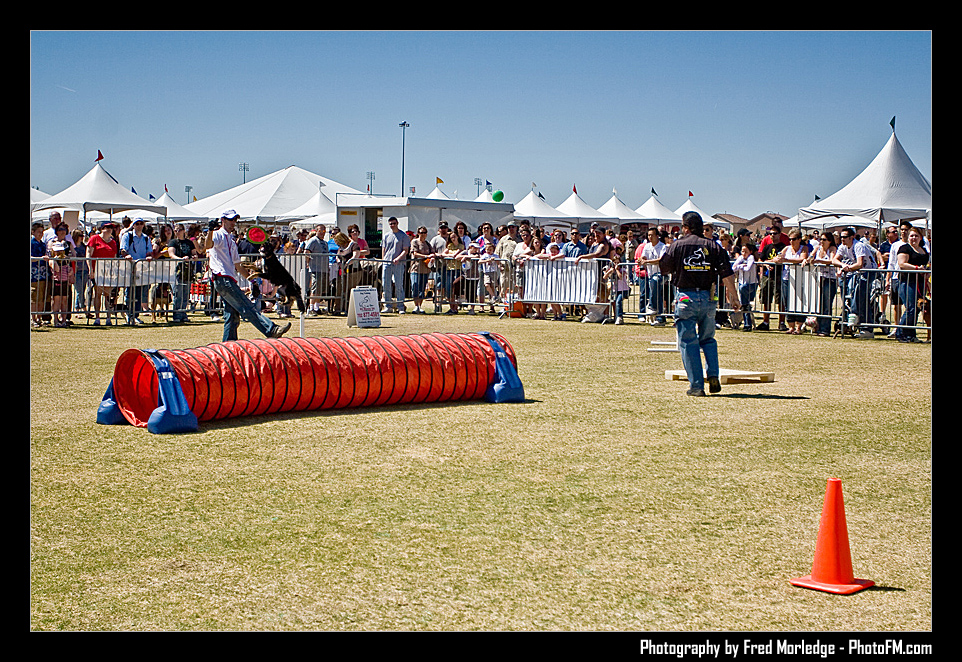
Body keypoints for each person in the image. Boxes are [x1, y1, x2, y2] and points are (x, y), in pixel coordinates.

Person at [659, 212, 739, 396]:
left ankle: (697, 386)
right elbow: (727, 273)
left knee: (688, 342)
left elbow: (664, 267)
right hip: (708, 297)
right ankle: (713, 375)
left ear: (685, 227)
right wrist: (734, 297)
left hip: (685, 297)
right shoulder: (713, 246)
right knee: (708, 339)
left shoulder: (677, 245)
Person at [202, 210, 291, 341]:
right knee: (246, 306)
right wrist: (210, 230)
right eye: (230, 219)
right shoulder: (217, 235)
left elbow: (238, 266)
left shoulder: (232, 241)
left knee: (232, 315)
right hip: (222, 278)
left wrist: (253, 281)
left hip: (228, 279)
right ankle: (271, 329)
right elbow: (208, 245)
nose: (233, 222)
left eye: (234, 220)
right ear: (223, 220)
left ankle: (229, 343)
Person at [831, 226, 877, 339]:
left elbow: (860, 264)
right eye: (841, 237)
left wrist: (847, 268)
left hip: (868, 272)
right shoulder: (842, 246)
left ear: (852, 237)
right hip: (855, 273)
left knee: (861, 298)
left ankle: (865, 326)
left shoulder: (859, 245)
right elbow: (834, 260)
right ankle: (854, 319)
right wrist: (843, 265)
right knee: (851, 296)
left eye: (845, 237)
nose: (842, 239)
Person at [894, 227, 929, 343]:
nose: (914, 238)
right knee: (911, 308)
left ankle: (911, 334)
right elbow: (902, 264)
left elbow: (927, 265)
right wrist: (917, 268)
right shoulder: (905, 248)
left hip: (921, 282)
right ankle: (901, 333)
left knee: (917, 309)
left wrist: (926, 272)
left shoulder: (924, 250)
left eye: (916, 236)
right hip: (907, 282)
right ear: (908, 237)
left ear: (920, 237)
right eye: (912, 236)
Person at [774, 230, 810, 335]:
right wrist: (777, 259)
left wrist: (786, 260)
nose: (791, 241)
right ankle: (791, 326)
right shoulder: (787, 248)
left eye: (793, 239)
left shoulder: (804, 248)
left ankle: (799, 327)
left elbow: (802, 258)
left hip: (799, 278)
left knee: (799, 302)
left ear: (799, 239)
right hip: (787, 278)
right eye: (790, 239)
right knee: (787, 302)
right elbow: (778, 256)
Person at [756, 227, 788, 331]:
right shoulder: (767, 247)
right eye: (770, 233)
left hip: (779, 275)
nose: (772, 235)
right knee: (766, 299)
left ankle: (781, 323)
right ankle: (766, 322)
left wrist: (771, 261)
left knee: (780, 300)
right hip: (767, 276)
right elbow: (760, 260)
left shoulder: (783, 247)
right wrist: (766, 264)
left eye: (775, 233)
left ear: (779, 234)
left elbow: (780, 259)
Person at [45, 224, 76, 327]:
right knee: (56, 300)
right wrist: (54, 260)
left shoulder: (68, 244)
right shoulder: (52, 244)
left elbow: (73, 258)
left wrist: (71, 272)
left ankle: (64, 320)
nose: (62, 232)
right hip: (56, 279)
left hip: (65, 278)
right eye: (60, 229)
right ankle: (55, 319)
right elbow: (54, 264)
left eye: (64, 230)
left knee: (65, 300)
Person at [166, 223, 197, 323]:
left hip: (188, 271)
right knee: (178, 293)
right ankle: (177, 315)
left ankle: (183, 314)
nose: (177, 232)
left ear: (184, 231)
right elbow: (171, 254)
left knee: (186, 293)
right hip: (177, 270)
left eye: (179, 230)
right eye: (175, 230)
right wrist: (181, 259)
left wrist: (194, 257)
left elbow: (194, 253)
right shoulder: (173, 242)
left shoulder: (189, 242)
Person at [380, 216, 411, 313]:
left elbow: (405, 250)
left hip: (399, 264)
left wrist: (398, 258)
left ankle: (400, 306)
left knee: (398, 285)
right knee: (386, 285)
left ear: (397, 223)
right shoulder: (386, 235)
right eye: (390, 224)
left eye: (394, 223)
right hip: (387, 263)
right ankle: (388, 306)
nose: (392, 225)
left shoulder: (403, 236)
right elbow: (383, 248)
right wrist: (383, 260)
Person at [638, 228, 667, 326]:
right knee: (657, 294)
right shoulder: (647, 246)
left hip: (661, 274)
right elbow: (643, 257)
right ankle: (660, 318)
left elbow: (661, 260)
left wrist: (646, 262)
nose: (650, 237)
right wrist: (641, 260)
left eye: (652, 235)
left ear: (657, 236)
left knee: (655, 282)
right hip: (650, 273)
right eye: (649, 235)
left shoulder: (663, 247)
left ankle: (652, 306)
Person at [298, 224, 330, 316]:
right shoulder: (313, 240)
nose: (322, 233)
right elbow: (306, 252)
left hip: (324, 269)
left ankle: (317, 307)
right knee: (315, 289)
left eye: (324, 231)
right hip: (316, 268)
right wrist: (308, 263)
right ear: (316, 231)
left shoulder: (325, 243)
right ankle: (311, 308)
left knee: (320, 290)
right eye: (320, 231)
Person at [731, 242, 759, 331]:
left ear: (750, 251)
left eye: (745, 251)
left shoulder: (751, 258)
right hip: (742, 282)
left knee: (744, 297)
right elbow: (733, 268)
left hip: (751, 283)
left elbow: (748, 268)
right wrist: (741, 265)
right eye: (742, 251)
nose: (743, 253)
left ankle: (748, 323)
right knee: (745, 304)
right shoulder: (740, 258)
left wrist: (740, 267)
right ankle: (747, 324)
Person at [603, 245, 630, 325]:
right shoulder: (611, 270)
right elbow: (604, 277)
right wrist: (609, 271)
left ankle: (620, 317)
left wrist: (617, 270)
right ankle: (613, 316)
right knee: (613, 302)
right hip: (614, 290)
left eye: (618, 262)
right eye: (615, 263)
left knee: (618, 301)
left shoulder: (623, 270)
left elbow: (621, 277)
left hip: (623, 290)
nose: (616, 264)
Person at [409, 226, 433, 314]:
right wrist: (426, 256)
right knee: (415, 286)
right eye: (421, 232)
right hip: (415, 268)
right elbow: (415, 253)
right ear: (418, 233)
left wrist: (432, 256)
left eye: (424, 232)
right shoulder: (414, 242)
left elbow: (432, 252)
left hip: (425, 269)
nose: (423, 234)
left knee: (422, 289)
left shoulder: (427, 243)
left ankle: (420, 306)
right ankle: (416, 305)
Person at [31, 223, 50, 328]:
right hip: (33, 275)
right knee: (34, 297)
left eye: (42, 232)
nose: (40, 234)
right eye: (38, 232)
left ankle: (39, 318)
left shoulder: (43, 244)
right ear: (33, 232)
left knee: (42, 298)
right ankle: (33, 319)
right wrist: (40, 258)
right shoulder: (31, 243)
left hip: (43, 274)